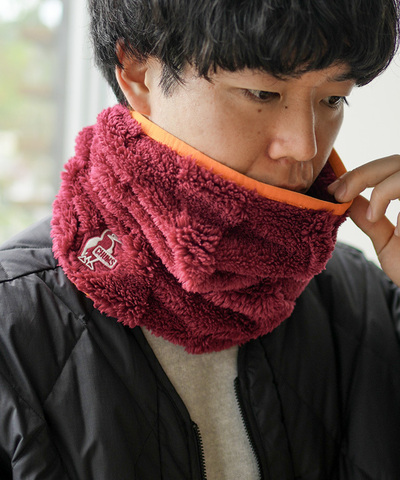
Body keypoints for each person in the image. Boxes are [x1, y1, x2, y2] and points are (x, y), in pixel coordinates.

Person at [0, 0, 399, 478]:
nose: (304, 146)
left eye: (333, 99)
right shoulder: (12, 330)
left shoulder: (366, 300)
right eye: (262, 92)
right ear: (138, 72)